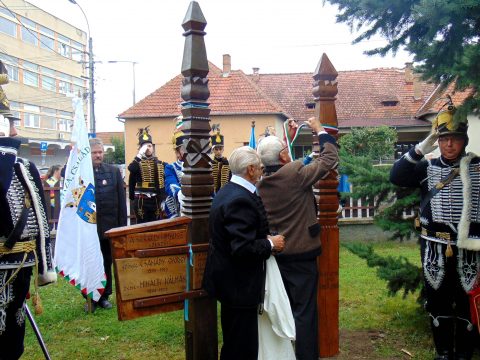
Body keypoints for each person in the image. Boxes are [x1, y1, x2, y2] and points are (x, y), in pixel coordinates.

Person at [390, 100, 479, 360]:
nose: (449, 144)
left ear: (464, 140)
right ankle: (443, 353)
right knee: (437, 300)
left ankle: (463, 353)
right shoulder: (426, 168)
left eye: (454, 139)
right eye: (443, 139)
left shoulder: (477, 167)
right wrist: (420, 148)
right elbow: (396, 176)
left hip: (469, 247)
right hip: (434, 247)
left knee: (466, 300)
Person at [256, 116, 339, 360]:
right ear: (283, 156)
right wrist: (320, 131)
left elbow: (291, 162)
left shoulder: (260, 183)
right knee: (304, 313)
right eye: (285, 150)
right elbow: (330, 159)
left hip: (276, 256)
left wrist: (288, 140)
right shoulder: (294, 174)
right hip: (302, 256)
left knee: (283, 310)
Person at [203, 146, 285, 360]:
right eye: (260, 168)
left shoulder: (227, 191)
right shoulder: (240, 199)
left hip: (229, 282)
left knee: (234, 339)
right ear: (250, 169)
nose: (261, 172)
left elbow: (238, 237)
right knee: (241, 346)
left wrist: (263, 239)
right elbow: (241, 248)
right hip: (239, 285)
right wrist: (270, 244)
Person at [0, 114, 57, 359]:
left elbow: (41, 217)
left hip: (23, 263)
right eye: (8, 123)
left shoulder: (24, 167)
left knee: (15, 334)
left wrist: (45, 266)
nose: (15, 130)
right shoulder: (6, 162)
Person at [87, 138, 127, 312]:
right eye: (94, 152)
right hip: (89, 229)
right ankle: (90, 297)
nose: (98, 155)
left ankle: (105, 295)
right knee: (90, 263)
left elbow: (121, 202)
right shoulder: (84, 173)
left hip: (109, 228)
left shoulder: (113, 171)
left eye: (100, 152)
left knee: (106, 262)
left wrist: (122, 228)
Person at [128, 127, 180, 222]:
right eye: (145, 146)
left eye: (150, 146)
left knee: (156, 225)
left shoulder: (161, 164)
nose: (148, 149)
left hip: (156, 199)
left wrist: (164, 198)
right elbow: (131, 169)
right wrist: (140, 154)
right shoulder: (137, 163)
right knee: (142, 226)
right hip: (141, 199)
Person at [210, 124, 231, 194]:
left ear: (223, 149)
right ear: (213, 150)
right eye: (216, 149)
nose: (218, 151)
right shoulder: (210, 163)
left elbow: (230, 179)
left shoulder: (227, 163)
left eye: (220, 149)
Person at [43, 164, 62, 229]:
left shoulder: (59, 182)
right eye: (60, 170)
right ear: (56, 171)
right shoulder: (51, 181)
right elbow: (51, 197)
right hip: (53, 208)